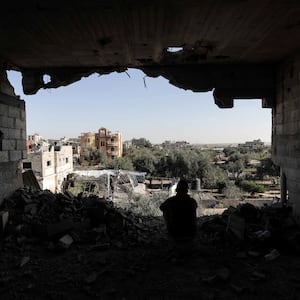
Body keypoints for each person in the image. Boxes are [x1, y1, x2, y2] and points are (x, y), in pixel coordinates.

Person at [160, 179, 198, 258]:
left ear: (177, 190)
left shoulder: (171, 201)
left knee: (165, 210)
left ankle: (171, 232)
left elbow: (161, 207)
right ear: (187, 190)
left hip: (175, 231)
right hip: (190, 231)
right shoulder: (192, 202)